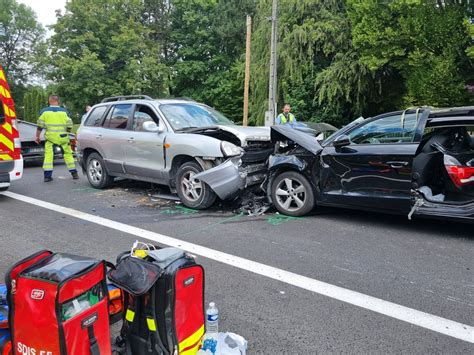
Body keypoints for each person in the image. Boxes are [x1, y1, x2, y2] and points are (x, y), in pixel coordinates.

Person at [35, 95, 79, 182]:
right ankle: (74, 174)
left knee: (48, 156)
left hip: (50, 138)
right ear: (58, 101)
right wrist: (67, 131)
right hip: (63, 137)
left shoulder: (44, 112)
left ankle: (47, 177)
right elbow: (70, 124)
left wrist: (37, 136)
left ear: (49, 101)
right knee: (68, 155)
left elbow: (40, 126)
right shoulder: (64, 111)